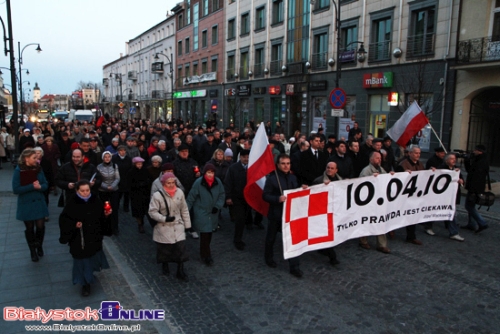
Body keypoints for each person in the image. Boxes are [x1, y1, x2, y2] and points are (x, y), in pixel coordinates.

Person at [59, 180, 112, 296]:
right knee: (82, 261)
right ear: (77, 190)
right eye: (82, 191)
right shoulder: (72, 202)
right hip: (79, 238)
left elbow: (100, 216)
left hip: (93, 236)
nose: (85, 193)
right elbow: (64, 219)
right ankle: (85, 284)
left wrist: (106, 215)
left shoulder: (95, 199)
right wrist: (74, 225)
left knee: (91, 258)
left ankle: (89, 276)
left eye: (87, 190)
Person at [263, 154, 304, 278]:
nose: (286, 166)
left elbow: (295, 191)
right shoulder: (272, 179)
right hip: (276, 214)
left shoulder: (293, 177)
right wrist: (277, 198)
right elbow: (265, 196)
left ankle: (294, 267)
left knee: (292, 240)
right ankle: (268, 258)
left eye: (288, 163)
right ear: (278, 165)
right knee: (271, 238)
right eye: (283, 163)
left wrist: (302, 189)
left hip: (290, 215)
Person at [149, 172, 191, 281]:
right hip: (164, 226)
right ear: (164, 183)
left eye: (173, 182)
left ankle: (180, 270)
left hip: (178, 225)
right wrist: (164, 218)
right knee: (165, 249)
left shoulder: (180, 193)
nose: (171, 185)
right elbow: (152, 212)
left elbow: (184, 209)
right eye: (169, 183)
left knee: (181, 248)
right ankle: (165, 265)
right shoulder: (157, 196)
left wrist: (187, 225)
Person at [12, 148, 50, 262]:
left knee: (40, 226)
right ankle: (32, 250)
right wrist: (31, 187)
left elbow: (45, 184)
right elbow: (16, 189)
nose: (36, 159)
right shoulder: (19, 171)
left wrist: (40, 187)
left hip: (39, 201)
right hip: (26, 203)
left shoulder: (38, 168)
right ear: (26, 159)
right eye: (34, 158)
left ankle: (39, 245)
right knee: (29, 228)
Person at [186, 163, 225, 266]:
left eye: (212, 172)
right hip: (201, 211)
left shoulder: (218, 182)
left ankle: (205, 252)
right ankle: (206, 256)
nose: (210, 175)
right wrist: (185, 212)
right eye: (208, 172)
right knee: (204, 234)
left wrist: (218, 206)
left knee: (210, 233)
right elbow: (191, 197)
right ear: (205, 173)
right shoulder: (198, 183)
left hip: (213, 212)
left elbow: (222, 195)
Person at [358, 152, 391, 254]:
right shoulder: (366, 171)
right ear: (371, 160)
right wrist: (371, 179)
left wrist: (391, 175)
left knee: (381, 221)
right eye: (377, 158)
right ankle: (363, 240)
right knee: (367, 221)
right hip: (369, 202)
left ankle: (382, 245)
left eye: (380, 158)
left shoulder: (381, 169)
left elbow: (387, 179)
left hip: (379, 200)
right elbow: (361, 185)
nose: (379, 160)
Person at [311, 162, 340, 266]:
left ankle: (322, 249)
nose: (329, 170)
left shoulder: (340, 181)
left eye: (332, 168)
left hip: (335, 211)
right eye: (328, 168)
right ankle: (333, 257)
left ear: (336, 170)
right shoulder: (318, 181)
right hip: (323, 212)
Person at [397, 145, 424, 245]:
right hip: (405, 194)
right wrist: (403, 173)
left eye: (419, 153)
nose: (418, 155)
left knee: (413, 215)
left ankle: (411, 236)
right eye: (416, 153)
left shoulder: (420, 164)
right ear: (410, 153)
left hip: (415, 194)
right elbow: (396, 178)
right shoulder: (403, 164)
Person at [224, 149, 251, 250]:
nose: (246, 159)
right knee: (239, 219)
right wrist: (228, 197)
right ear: (240, 157)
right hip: (237, 197)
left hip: (249, 198)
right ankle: (237, 240)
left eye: (248, 157)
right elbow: (228, 183)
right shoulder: (233, 168)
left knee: (245, 217)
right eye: (244, 157)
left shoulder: (252, 167)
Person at [437, 154, 466, 241]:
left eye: (455, 159)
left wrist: (461, 181)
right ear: (446, 161)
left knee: (452, 213)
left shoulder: (456, 169)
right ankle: (428, 226)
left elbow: (462, 180)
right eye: (452, 159)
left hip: (452, 196)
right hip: (443, 196)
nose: (454, 160)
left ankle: (453, 232)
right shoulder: (441, 169)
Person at [462, 144, 489, 233]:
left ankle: (482, 222)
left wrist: (473, 190)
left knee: (469, 206)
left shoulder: (481, 162)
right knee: (471, 205)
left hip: (474, 188)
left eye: (475, 150)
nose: (474, 151)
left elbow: (476, 177)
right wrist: (467, 161)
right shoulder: (480, 160)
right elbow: (470, 171)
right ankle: (471, 224)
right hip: (475, 188)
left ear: (480, 151)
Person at [97, 151, 120, 235]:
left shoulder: (115, 166)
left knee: (114, 209)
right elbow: (99, 179)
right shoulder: (99, 167)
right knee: (105, 209)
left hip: (114, 190)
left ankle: (115, 227)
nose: (107, 158)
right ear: (103, 158)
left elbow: (117, 178)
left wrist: (112, 186)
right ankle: (105, 227)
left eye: (108, 157)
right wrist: (106, 187)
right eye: (105, 157)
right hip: (103, 190)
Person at [128, 157, 150, 233]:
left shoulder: (145, 171)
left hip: (144, 193)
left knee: (145, 209)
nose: (139, 165)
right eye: (138, 164)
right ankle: (140, 224)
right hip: (135, 194)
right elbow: (130, 184)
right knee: (137, 211)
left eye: (140, 164)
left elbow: (148, 180)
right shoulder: (131, 172)